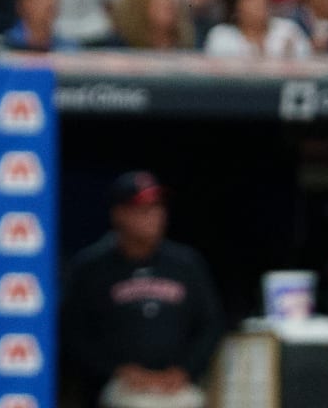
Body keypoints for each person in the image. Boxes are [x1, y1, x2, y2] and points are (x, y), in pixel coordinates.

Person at [61, 171, 222, 408]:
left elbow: (211, 324)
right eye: (143, 209)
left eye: (157, 208)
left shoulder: (186, 263)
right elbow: (73, 332)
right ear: (119, 214)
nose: (154, 216)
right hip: (118, 384)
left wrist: (184, 370)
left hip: (175, 384)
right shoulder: (91, 267)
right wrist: (116, 370)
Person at [203, 0, 312, 57]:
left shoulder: (289, 30)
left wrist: (290, 60)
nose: (260, 5)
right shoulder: (221, 37)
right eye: (253, 0)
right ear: (236, 7)